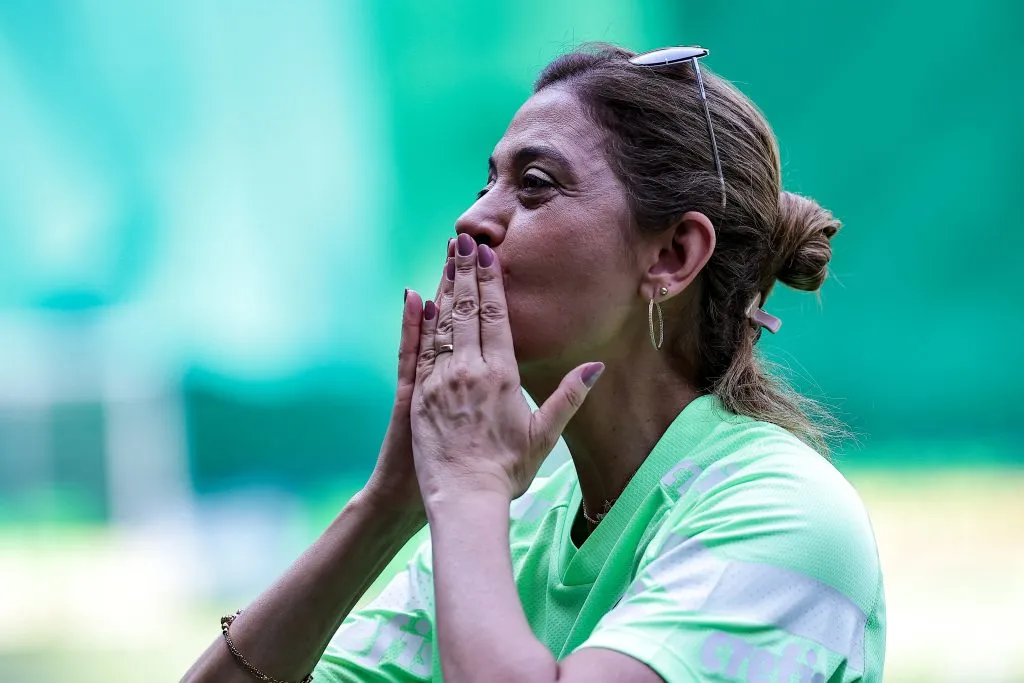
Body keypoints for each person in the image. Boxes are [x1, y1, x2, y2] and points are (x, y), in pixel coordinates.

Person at [182, 43, 885, 683]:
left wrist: (464, 487)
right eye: (486, 181)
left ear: (672, 256)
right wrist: (387, 507)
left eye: (535, 185)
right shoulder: (513, 519)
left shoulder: (785, 512)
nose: (474, 218)